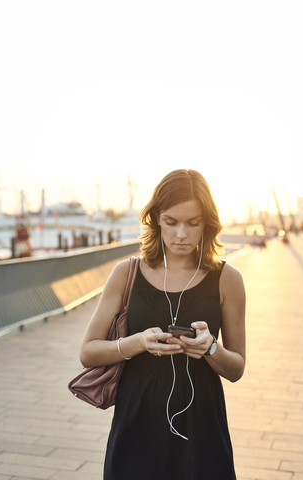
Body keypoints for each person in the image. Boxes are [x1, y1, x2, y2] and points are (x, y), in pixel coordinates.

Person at [80, 169, 246, 480]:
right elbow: (88, 352)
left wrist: (210, 348)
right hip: (136, 423)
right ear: (156, 218)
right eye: (171, 222)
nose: (181, 234)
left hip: (202, 429)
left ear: (207, 222)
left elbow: (236, 368)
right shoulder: (125, 274)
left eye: (192, 223)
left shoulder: (227, 279)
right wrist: (137, 343)